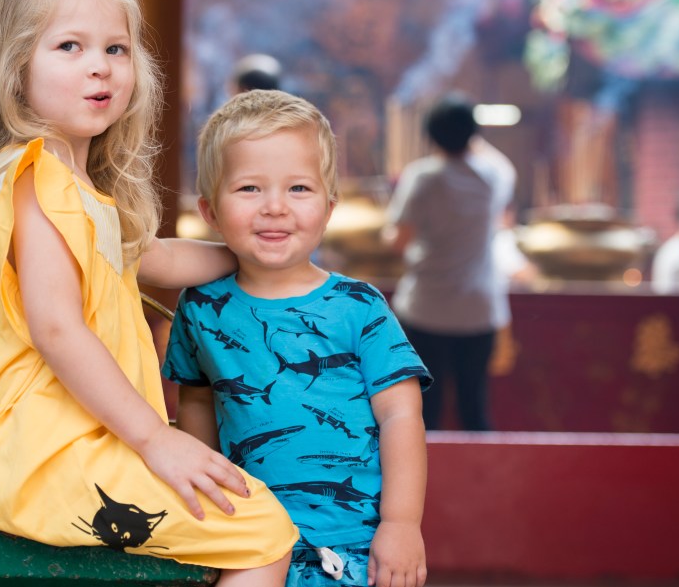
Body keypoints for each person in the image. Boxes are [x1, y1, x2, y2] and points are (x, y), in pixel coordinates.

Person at [0, 0, 296, 584]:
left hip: (63, 449)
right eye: (69, 46)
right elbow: (57, 329)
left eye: (115, 48)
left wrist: (254, 249)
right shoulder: (36, 178)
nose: (100, 66)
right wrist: (156, 439)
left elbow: (153, 258)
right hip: (43, 458)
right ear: (13, 67)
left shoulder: (74, 187)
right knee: (258, 528)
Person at [162, 89, 432, 587]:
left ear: (329, 207)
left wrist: (401, 524)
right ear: (209, 210)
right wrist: (205, 505)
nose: (275, 207)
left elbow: (402, 415)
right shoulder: (200, 307)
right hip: (248, 544)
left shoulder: (359, 306)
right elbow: (197, 403)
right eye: (249, 188)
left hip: (353, 547)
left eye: (299, 189)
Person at [384, 92, 516, 432]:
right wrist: (469, 135)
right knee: (474, 409)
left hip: (426, 309)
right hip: (478, 310)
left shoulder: (423, 177)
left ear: (429, 135)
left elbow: (399, 242)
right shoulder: (492, 177)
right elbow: (501, 163)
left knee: (424, 412)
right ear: (473, 134)